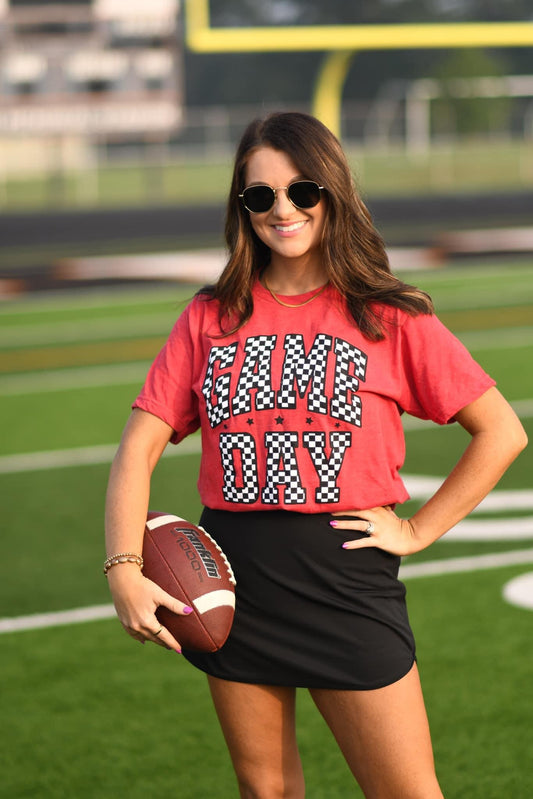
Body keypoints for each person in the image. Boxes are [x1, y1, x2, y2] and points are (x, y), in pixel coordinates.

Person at [104, 111, 527, 799]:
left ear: (332, 191)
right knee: (266, 791)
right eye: (259, 195)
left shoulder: (388, 314)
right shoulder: (211, 314)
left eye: (302, 190)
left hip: (344, 581)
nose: (282, 209)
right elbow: (138, 444)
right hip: (234, 583)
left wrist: (417, 528)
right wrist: (123, 566)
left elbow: (501, 430)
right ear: (241, 208)